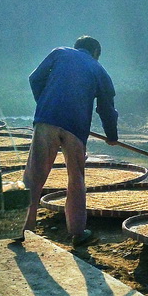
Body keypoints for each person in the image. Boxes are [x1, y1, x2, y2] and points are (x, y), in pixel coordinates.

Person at [20, 35, 119, 246]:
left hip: (46, 121)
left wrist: (46, 104)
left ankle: (21, 226)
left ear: (77, 48)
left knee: (33, 176)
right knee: (76, 179)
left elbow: (35, 79)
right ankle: (77, 233)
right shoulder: (98, 70)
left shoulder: (59, 53)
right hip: (76, 128)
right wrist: (112, 136)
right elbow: (106, 108)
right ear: (95, 54)